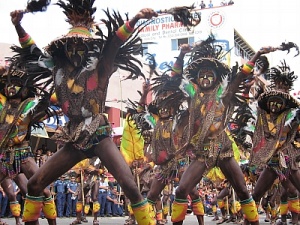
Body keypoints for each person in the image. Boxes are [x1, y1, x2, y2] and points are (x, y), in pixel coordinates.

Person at [10, 0, 159, 224]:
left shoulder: (101, 67)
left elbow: (113, 45)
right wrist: (18, 26)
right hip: (75, 136)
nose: (75, 50)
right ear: (65, 49)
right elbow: (34, 56)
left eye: (81, 46)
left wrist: (135, 19)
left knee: (130, 187)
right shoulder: (58, 70)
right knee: (34, 184)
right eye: (71, 46)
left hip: (98, 133)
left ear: (89, 49)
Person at [169, 35, 277, 225]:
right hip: (203, 152)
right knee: (180, 190)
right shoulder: (193, 94)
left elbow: (241, 75)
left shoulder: (224, 95)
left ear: (216, 78)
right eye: (202, 74)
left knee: (243, 190)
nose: (205, 78)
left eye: (209, 74)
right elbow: (175, 79)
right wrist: (180, 55)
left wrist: (257, 54)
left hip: (224, 149)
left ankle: (253, 222)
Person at [0, 43, 56, 225]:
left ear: (24, 89)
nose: (10, 88)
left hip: (23, 154)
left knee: (41, 189)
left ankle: (51, 222)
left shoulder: (30, 105)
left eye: (15, 85)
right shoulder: (1, 106)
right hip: (2, 155)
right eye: (8, 85)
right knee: (21, 191)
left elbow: (49, 103)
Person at [248, 60, 300, 225]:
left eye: (283, 87)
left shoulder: (293, 114)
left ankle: (294, 220)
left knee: (293, 190)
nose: (279, 90)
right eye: (276, 86)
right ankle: (248, 221)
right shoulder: (265, 115)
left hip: (289, 159)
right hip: (273, 161)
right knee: (256, 194)